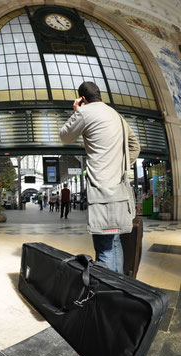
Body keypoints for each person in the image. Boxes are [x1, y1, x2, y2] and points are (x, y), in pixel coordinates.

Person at [60, 81, 140, 274]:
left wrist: (76, 110)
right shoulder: (117, 116)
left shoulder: (85, 112)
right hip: (121, 190)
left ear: (82, 99)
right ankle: (121, 289)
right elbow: (135, 146)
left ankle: (108, 296)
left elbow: (65, 136)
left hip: (102, 191)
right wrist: (119, 166)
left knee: (104, 248)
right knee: (115, 243)